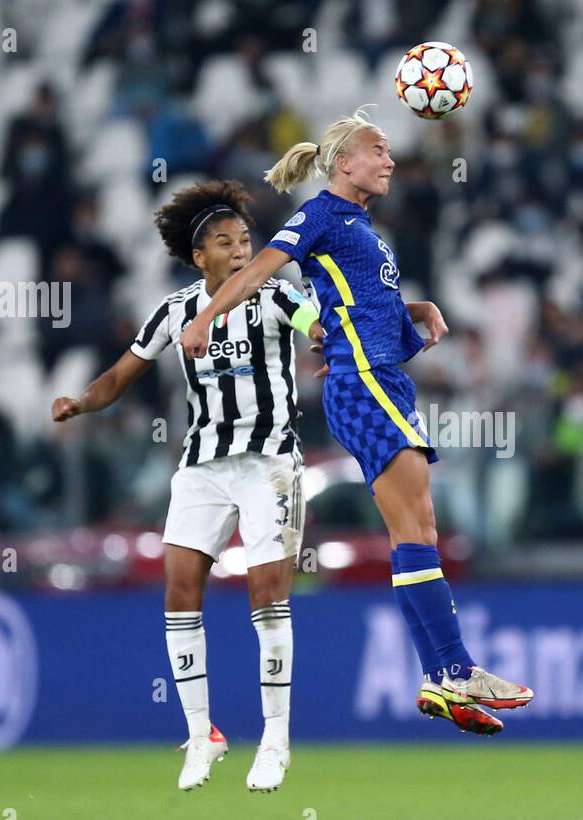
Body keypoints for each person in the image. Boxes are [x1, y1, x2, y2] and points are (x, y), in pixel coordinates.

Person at [179, 108, 534, 735]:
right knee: (413, 522)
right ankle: (454, 669)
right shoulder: (319, 214)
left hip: (378, 380)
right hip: (366, 384)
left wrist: (415, 307)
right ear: (344, 162)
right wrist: (205, 319)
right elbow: (257, 272)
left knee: (418, 524)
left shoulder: (360, 228)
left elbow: (357, 304)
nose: (390, 160)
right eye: (379, 150)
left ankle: (441, 674)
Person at [52, 181, 318, 793]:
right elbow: (123, 371)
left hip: (269, 460)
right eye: (225, 242)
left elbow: (312, 321)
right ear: (199, 257)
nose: (239, 249)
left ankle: (275, 740)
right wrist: (82, 403)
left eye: (246, 239)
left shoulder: (276, 296)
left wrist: (324, 334)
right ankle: (203, 735)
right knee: (178, 592)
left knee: (267, 594)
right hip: (202, 465)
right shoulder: (176, 312)